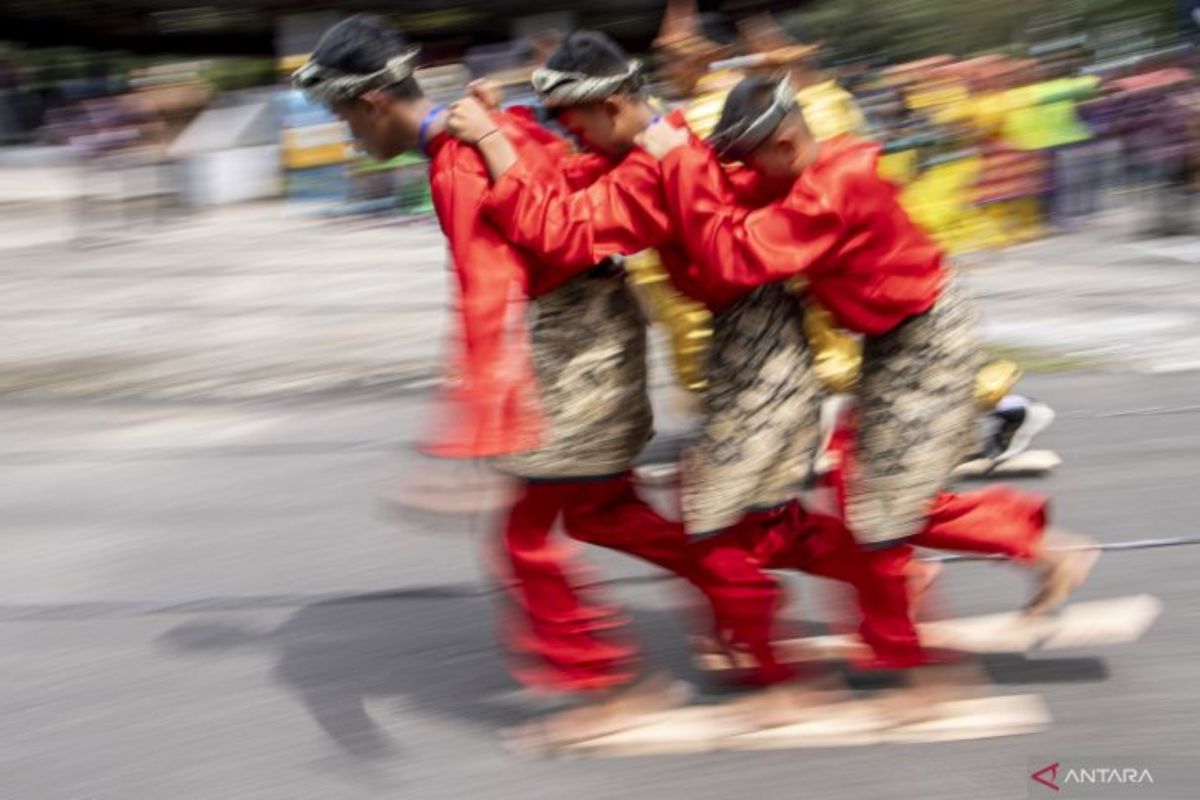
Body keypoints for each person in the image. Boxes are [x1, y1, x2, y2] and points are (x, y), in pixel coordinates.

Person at [293, 15, 821, 747]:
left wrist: (472, 424)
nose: (349, 137)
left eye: (343, 118)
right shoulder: (494, 123)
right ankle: (740, 594)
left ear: (373, 102)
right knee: (603, 513)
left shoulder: (456, 158)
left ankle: (614, 682)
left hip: (578, 347)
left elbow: (485, 291)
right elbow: (571, 166)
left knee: (526, 538)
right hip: (595, 327)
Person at [638, 77, 1098, 647]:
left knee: (886, 503)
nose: (746, 170)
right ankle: (1029, 555)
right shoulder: (800, 170)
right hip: (894, 338)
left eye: (751, 156)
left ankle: (989, 585)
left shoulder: (831, 189)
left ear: (783, 145)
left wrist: (678, 163)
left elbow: (736, 258)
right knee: (876, 493)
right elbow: (729, 190)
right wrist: (668, 135)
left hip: (926, 337)